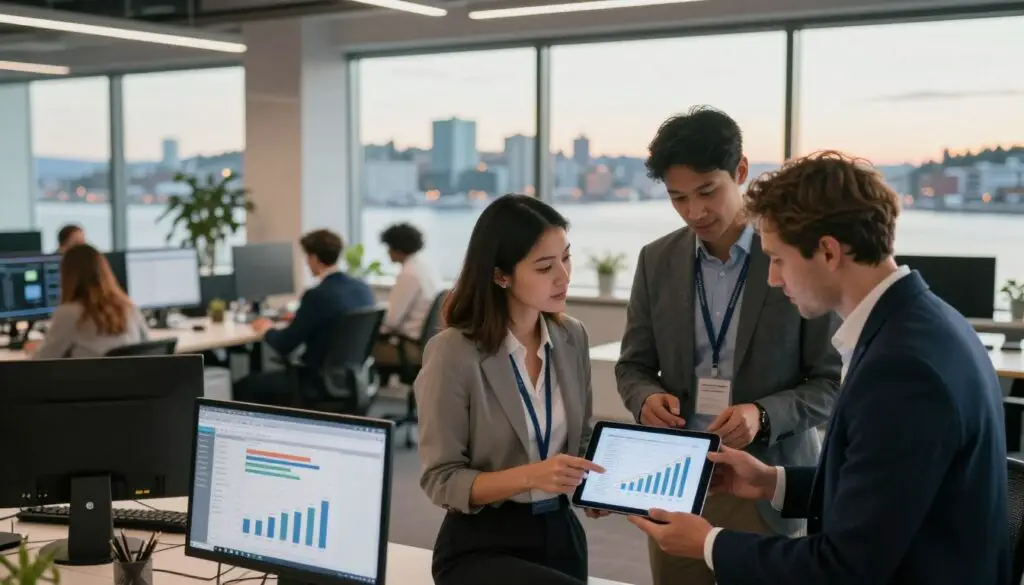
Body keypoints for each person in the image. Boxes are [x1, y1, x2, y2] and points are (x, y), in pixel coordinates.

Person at [631, 151, 1011, 585]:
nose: (773, 279)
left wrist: (708, 544)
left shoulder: (903, 371)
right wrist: (773, 481)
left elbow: (844, 566)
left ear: (828, 252)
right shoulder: (928, 322)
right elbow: (886, 492)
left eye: (777, 259)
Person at [616, 106, 841, 585]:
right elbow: (633, 366)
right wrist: (644, 399)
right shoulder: (657, 260)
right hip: (677, 479)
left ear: (740, 172)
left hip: (765, 478)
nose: (694, 212)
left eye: (707, 192)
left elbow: (830, 381)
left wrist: (763, 413)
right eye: (677, 198)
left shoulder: (792, 257)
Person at [415, 194, 605, 585]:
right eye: (544, 267)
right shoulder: (454, 352)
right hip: (483, 542)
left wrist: (597, 485)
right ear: (501, 275)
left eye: (566, 258)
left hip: (560, 533)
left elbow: (581, 439)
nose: (564, 277)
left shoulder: (572, 336)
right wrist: (532, 476)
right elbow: (441, 479)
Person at [234, 229, 375, 405]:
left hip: (314, 382)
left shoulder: (317, 295)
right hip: (350, 379)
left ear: (314, 259)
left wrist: (267, 328)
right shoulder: (362, 288)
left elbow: (284, 345)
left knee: (243, 386)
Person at [25, 244, 148, 359]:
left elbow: (43, 359)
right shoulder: (128, 307)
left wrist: (33, 349)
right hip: (129, 380)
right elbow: (148, 349)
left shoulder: (69, 313)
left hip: (91, 380)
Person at [373, 222, 441, 369]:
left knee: (363, 347)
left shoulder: (409, 275)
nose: (388, 252)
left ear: (397, 249)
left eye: (389, 248)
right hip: (426, 340)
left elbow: (391, 321)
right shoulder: (425, 267)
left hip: (409, 344)